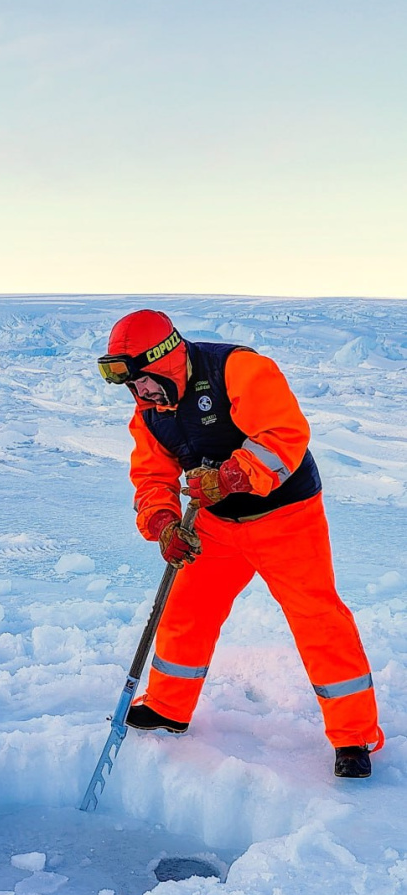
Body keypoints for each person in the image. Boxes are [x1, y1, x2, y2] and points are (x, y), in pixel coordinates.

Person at [98, 309, 383, 778]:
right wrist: (165, 522)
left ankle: (354, 737)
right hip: (213, 524)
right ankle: (167, 707)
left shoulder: (239, 370)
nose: (140, 394)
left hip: (286, 517)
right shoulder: (150, 413)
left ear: (165, 358)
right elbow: (151, 476)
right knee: (185, 610)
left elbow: (284, 435)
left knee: (318, 619)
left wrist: (232, 475)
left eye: (144, 381)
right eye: (132, 387)